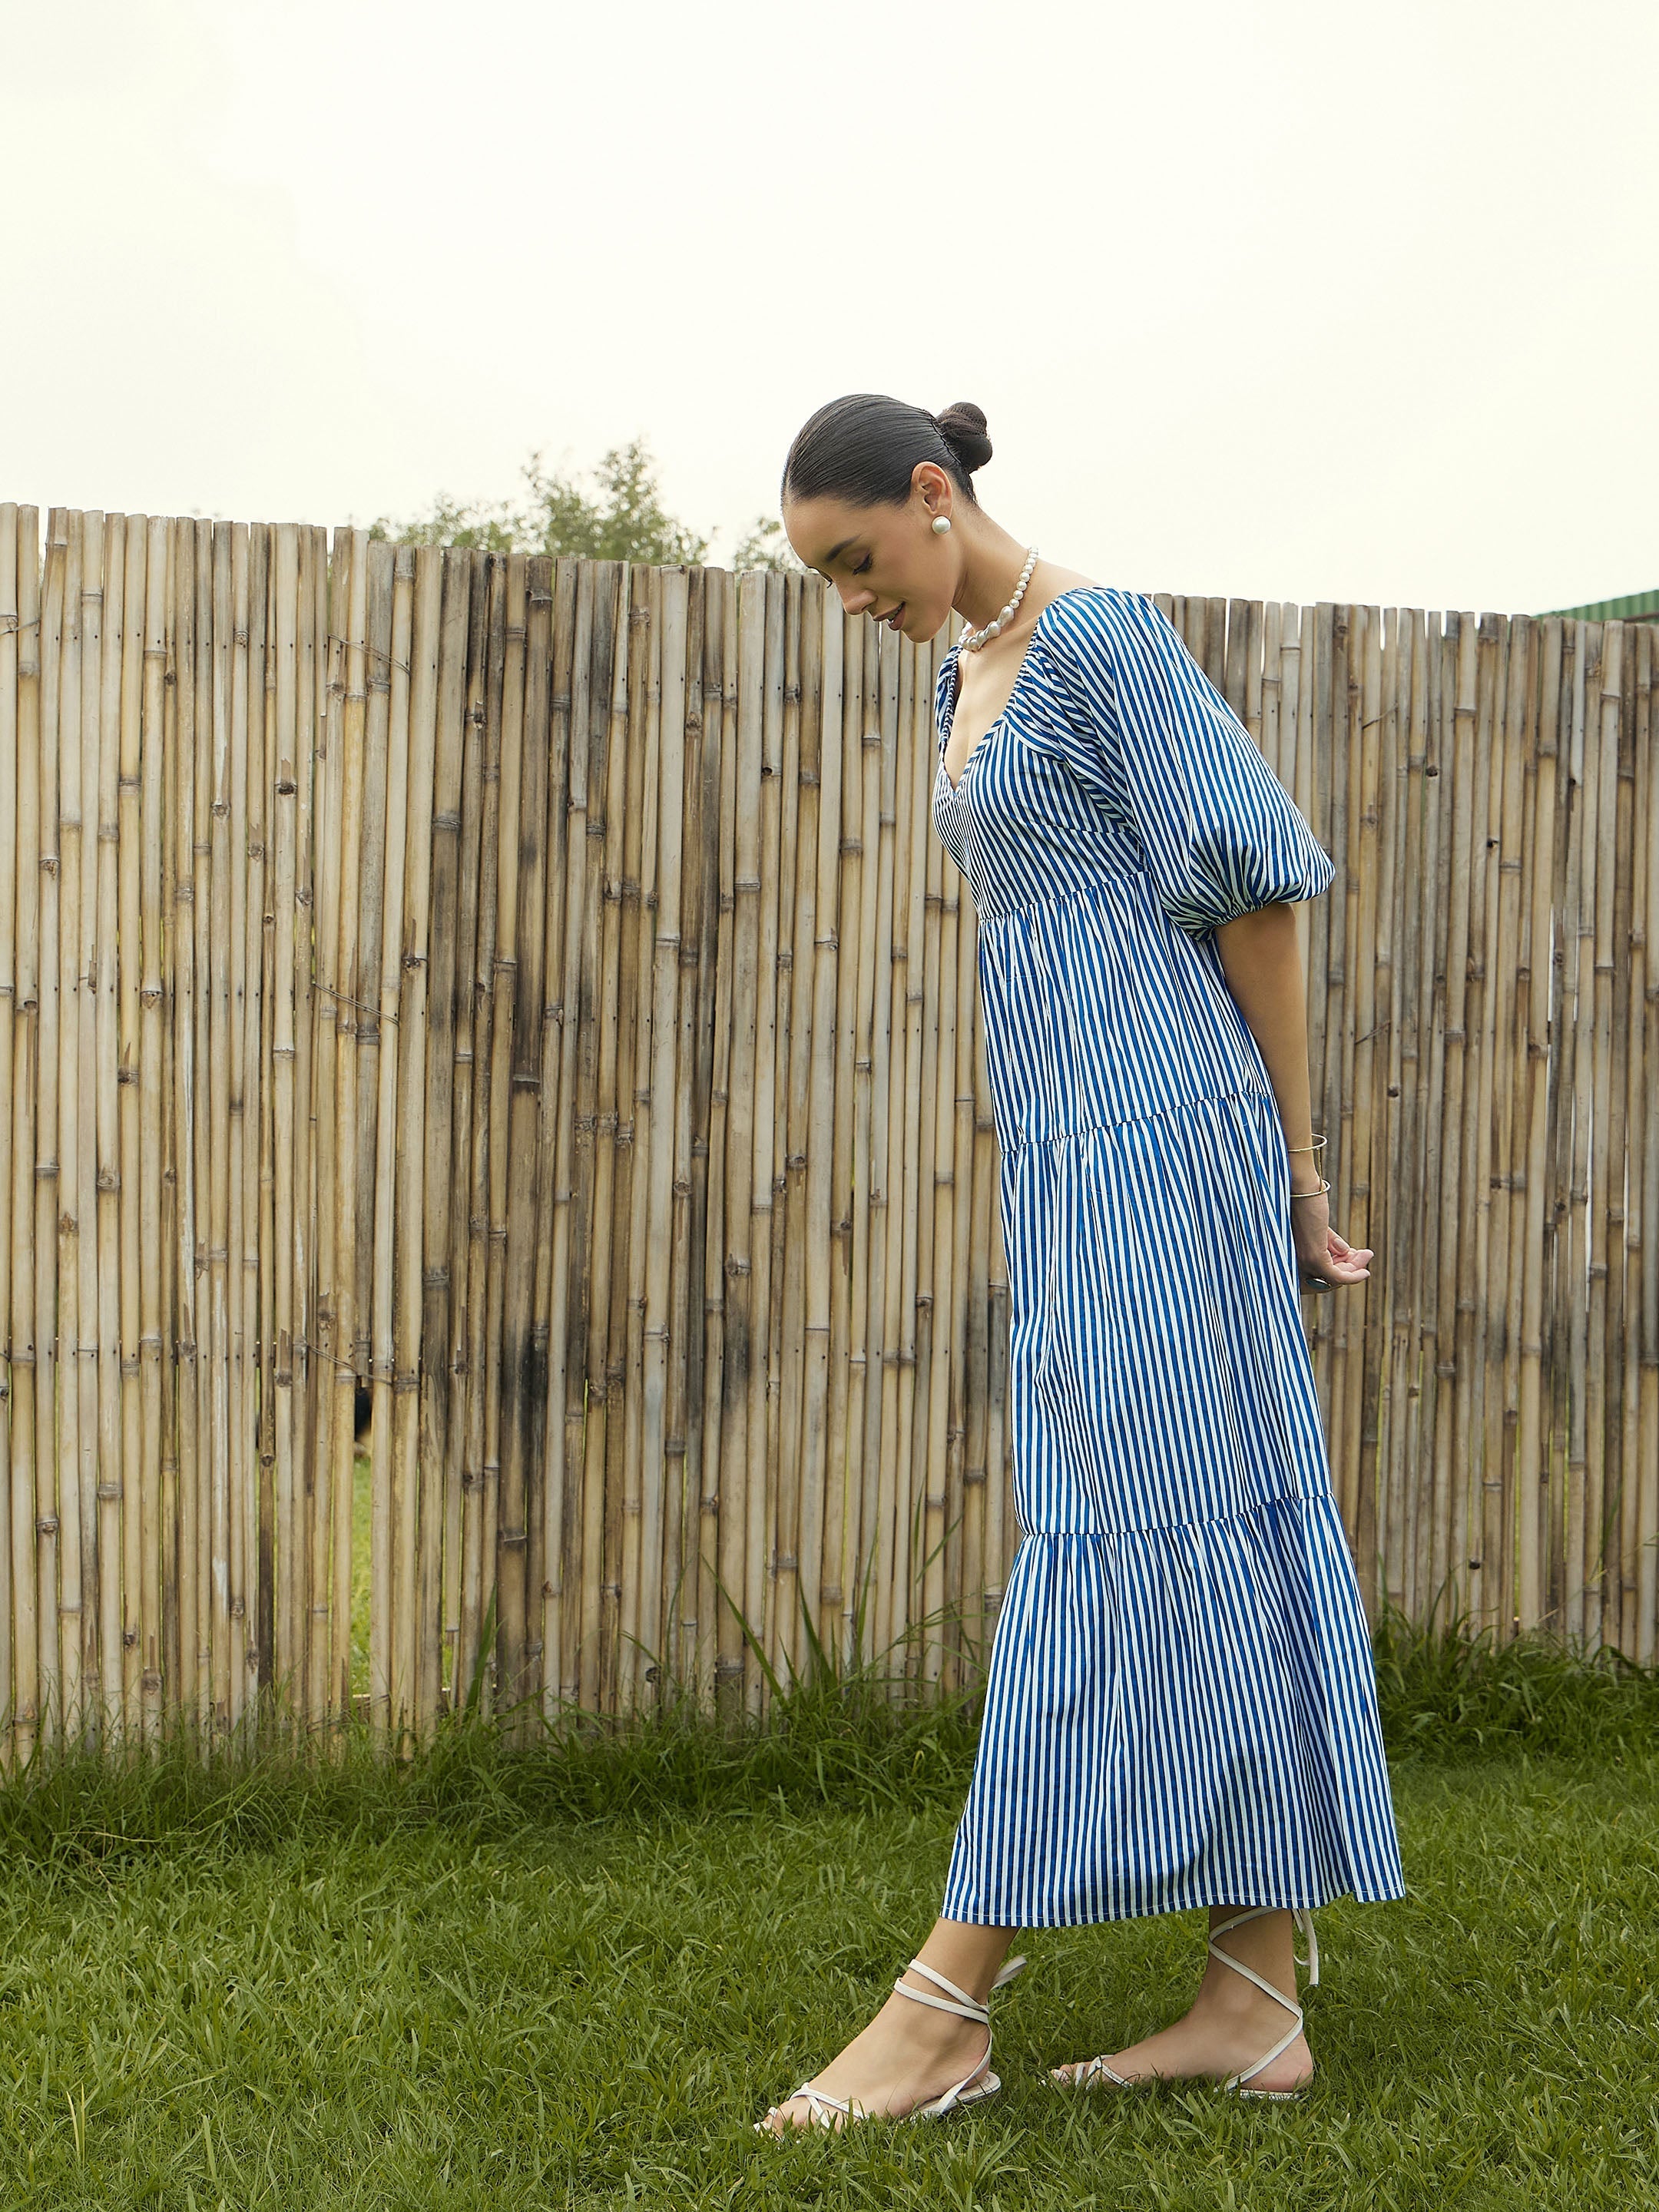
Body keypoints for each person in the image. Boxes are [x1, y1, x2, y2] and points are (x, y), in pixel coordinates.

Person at [753, 395, 1404, 2137]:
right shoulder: (955, 673)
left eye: (858, 560)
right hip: (1067, 1149)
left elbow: (1255, 890)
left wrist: (1290, 1149)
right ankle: (1254, 1998)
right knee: (1188, 1509)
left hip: (1166, 1140)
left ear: (933, 492)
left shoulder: (1100, 640)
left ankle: (945, 2002)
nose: (850, 598)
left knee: (1116, 1529)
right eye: (821, 580)